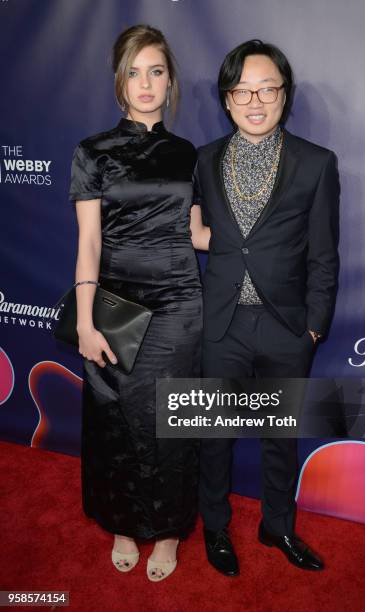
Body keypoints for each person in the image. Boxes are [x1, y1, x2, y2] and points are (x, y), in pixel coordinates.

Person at [194, 39, 340, 576]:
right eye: (242, 91)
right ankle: (214, 525)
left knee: (281, 436)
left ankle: (277, 525)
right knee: (213, 436)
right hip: (222, 324)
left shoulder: (316, 163)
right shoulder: (203, 161)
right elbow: (196, 232)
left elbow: (325, 253)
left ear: (284, 95)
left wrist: (314, 328)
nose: (255, 101)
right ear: (227, 99)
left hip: (287, 328)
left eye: (267, 89)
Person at [69, 24, 209, 582]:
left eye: (156, 71)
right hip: (114, 302)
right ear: (118, 81)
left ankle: (169, 531)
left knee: (172, 420)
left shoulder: (186, 154)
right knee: (114, 421)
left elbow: (197, 234)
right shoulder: (93, 151)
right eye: (134, 71)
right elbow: (88, 242)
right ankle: (124, 523)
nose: (146, 83)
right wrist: (84, 320)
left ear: (170, 80)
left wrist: (261, 240)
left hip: (178, 303)